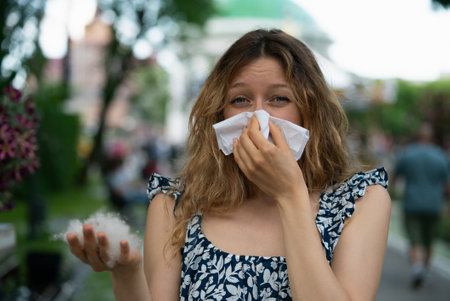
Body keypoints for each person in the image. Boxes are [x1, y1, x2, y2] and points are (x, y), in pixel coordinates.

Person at [66, 29, 391, 300]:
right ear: (219, 112)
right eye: (240, 100)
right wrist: (126, 273)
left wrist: (290, 194)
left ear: (310, 112)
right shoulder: (175, 206)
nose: (259, 117)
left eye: (279, 98)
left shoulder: (361, 202)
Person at [393, 123, 449, 289]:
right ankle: (426, 267)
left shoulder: (408, 154)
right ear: (432, 138)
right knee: (429, 239)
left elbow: (395, 177)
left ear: (418, 137)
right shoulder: (441, 156)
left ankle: (417, 267)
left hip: (412, 203)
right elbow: (447, 185)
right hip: (434, 204)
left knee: (415, 237)